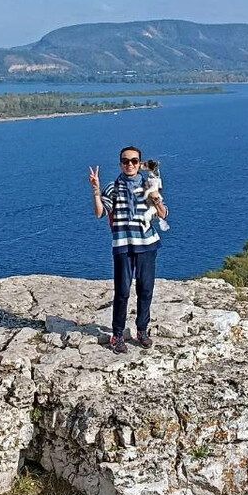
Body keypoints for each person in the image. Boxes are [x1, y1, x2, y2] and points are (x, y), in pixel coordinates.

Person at [89, 146, 168, 354]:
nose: (130, 164)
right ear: (120, 164)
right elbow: (100, 213)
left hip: (147, 245)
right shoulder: (112, 187)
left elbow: (163, 214)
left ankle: (142, 330)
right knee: (122, 291)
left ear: (140, 164)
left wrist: (156, 196)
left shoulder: (148, 185)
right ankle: (117, 334)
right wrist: (96, 191)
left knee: (146, 290)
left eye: (134, 161)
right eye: (125, 161)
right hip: (123, 245)